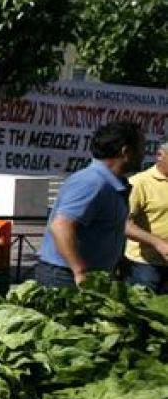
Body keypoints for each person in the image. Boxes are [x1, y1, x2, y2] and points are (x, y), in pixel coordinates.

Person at [35, 121, 145, 288]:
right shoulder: (92, 182)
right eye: (141, 148)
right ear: (126, 151)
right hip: (67, 277)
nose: (144, 154)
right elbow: (61, 226)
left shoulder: (114, 184)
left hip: (92, 276)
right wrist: (80, 272)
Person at [123, 138, 168, 292]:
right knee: (143, 312)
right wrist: (159, 243)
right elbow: (124, 224)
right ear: (160, 155)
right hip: (144, 266)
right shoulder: (139, 183)